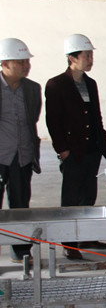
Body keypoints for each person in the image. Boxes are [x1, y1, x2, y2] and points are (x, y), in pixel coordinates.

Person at [45, 34, 106, 259]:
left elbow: (96, 116)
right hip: (73, 150)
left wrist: (102, 143)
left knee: (88, 195)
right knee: (71, 198)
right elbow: (53, 121)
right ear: (72, 58)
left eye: (91, 55)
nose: (91, 60)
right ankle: (70, 243)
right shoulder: (56, 84)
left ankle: (86, 236)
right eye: (87, 55)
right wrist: (62, 150)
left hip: (92, 148)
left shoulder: (90, 84)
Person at [0, 38, 41, 263]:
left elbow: (32, 119)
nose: (26, 66)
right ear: (5, 64)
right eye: (21, 62)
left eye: (27, 61)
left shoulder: (33, 89)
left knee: (20, 206)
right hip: (1, 156)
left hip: (23, 156)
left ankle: (21, 250)